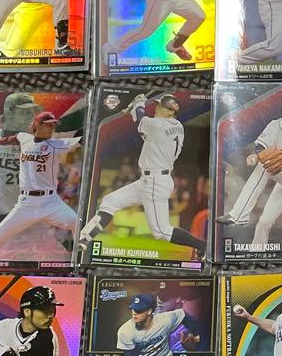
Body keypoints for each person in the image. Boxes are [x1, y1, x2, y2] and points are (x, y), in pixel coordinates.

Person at [79, 92, 204, 255]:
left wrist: (138, 104)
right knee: (109, 201)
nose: (157, 108)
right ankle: (83, 240)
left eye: (161, 106)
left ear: (171, 111)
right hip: (149, 180)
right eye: (158, 105)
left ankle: (203, 247)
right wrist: (135, 110)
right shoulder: (176, 126)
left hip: (155, 181)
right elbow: (144, 129)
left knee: (162, 232)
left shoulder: (158, 125)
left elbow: (141, 120)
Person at [0, 111, 80, 258]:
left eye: (53, 126)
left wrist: (90, 128)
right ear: (37, 125)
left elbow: (80, 140)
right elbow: (13, 138)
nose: (52, 129)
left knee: (77, 223)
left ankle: (80, 256)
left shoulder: (56, 144)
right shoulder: (25, 138)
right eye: (48, 125)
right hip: (26, 203)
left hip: (50, 201)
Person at [216, 88, 282, 247]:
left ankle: (238, 215)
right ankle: (256, 253)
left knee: (266, 166)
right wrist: (256, 155)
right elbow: (261, 146)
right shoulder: (274, 125)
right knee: (264, 222)